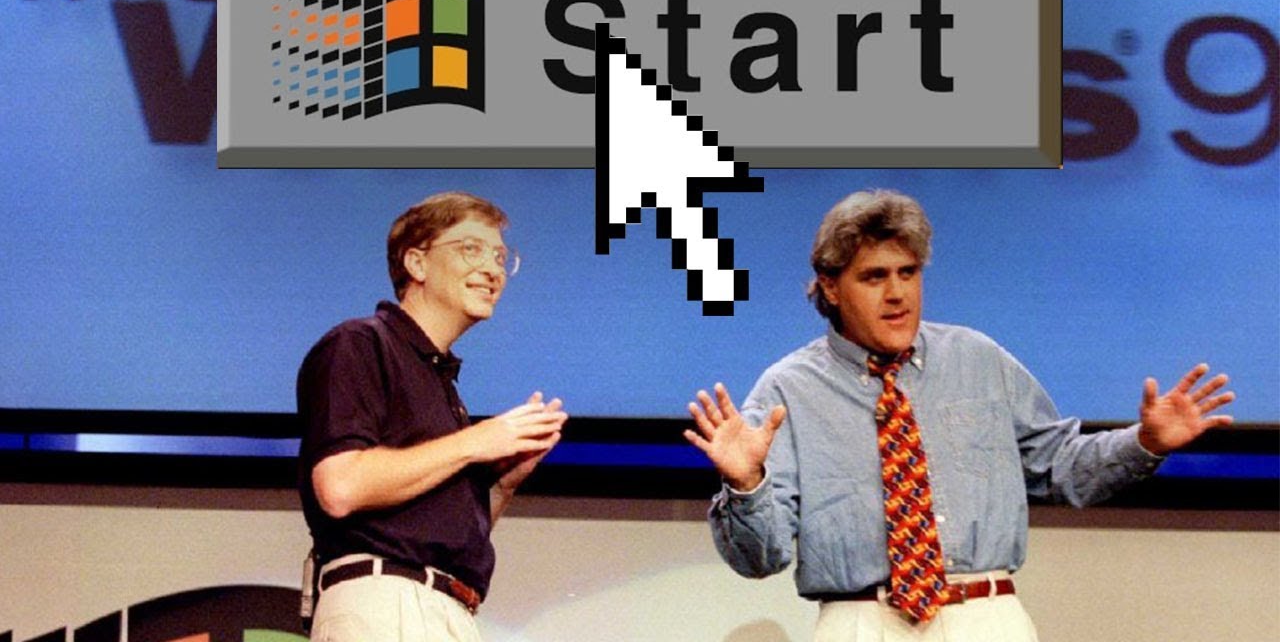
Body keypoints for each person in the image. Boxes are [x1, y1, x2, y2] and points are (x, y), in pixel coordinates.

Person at [683, 189, 1234, 641]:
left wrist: (1146, 441)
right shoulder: (787, 390)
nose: (897, 294)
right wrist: (747, 484)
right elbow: (760, 559)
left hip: (986, 618)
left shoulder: (978, 359)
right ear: (830, 285)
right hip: (861, 622)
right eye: (874, 277)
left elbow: (1060, 466)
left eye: (908, 272)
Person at [297, 191, 568, 642]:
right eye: (471, 249)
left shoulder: (440, 382)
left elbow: (437, 537)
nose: (493, 270)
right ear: (417, 264)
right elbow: (340, 487)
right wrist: (476, 442)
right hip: (389, 605)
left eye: (501, 257)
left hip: (442, 608)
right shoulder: (361, 344)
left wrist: (503, 483)